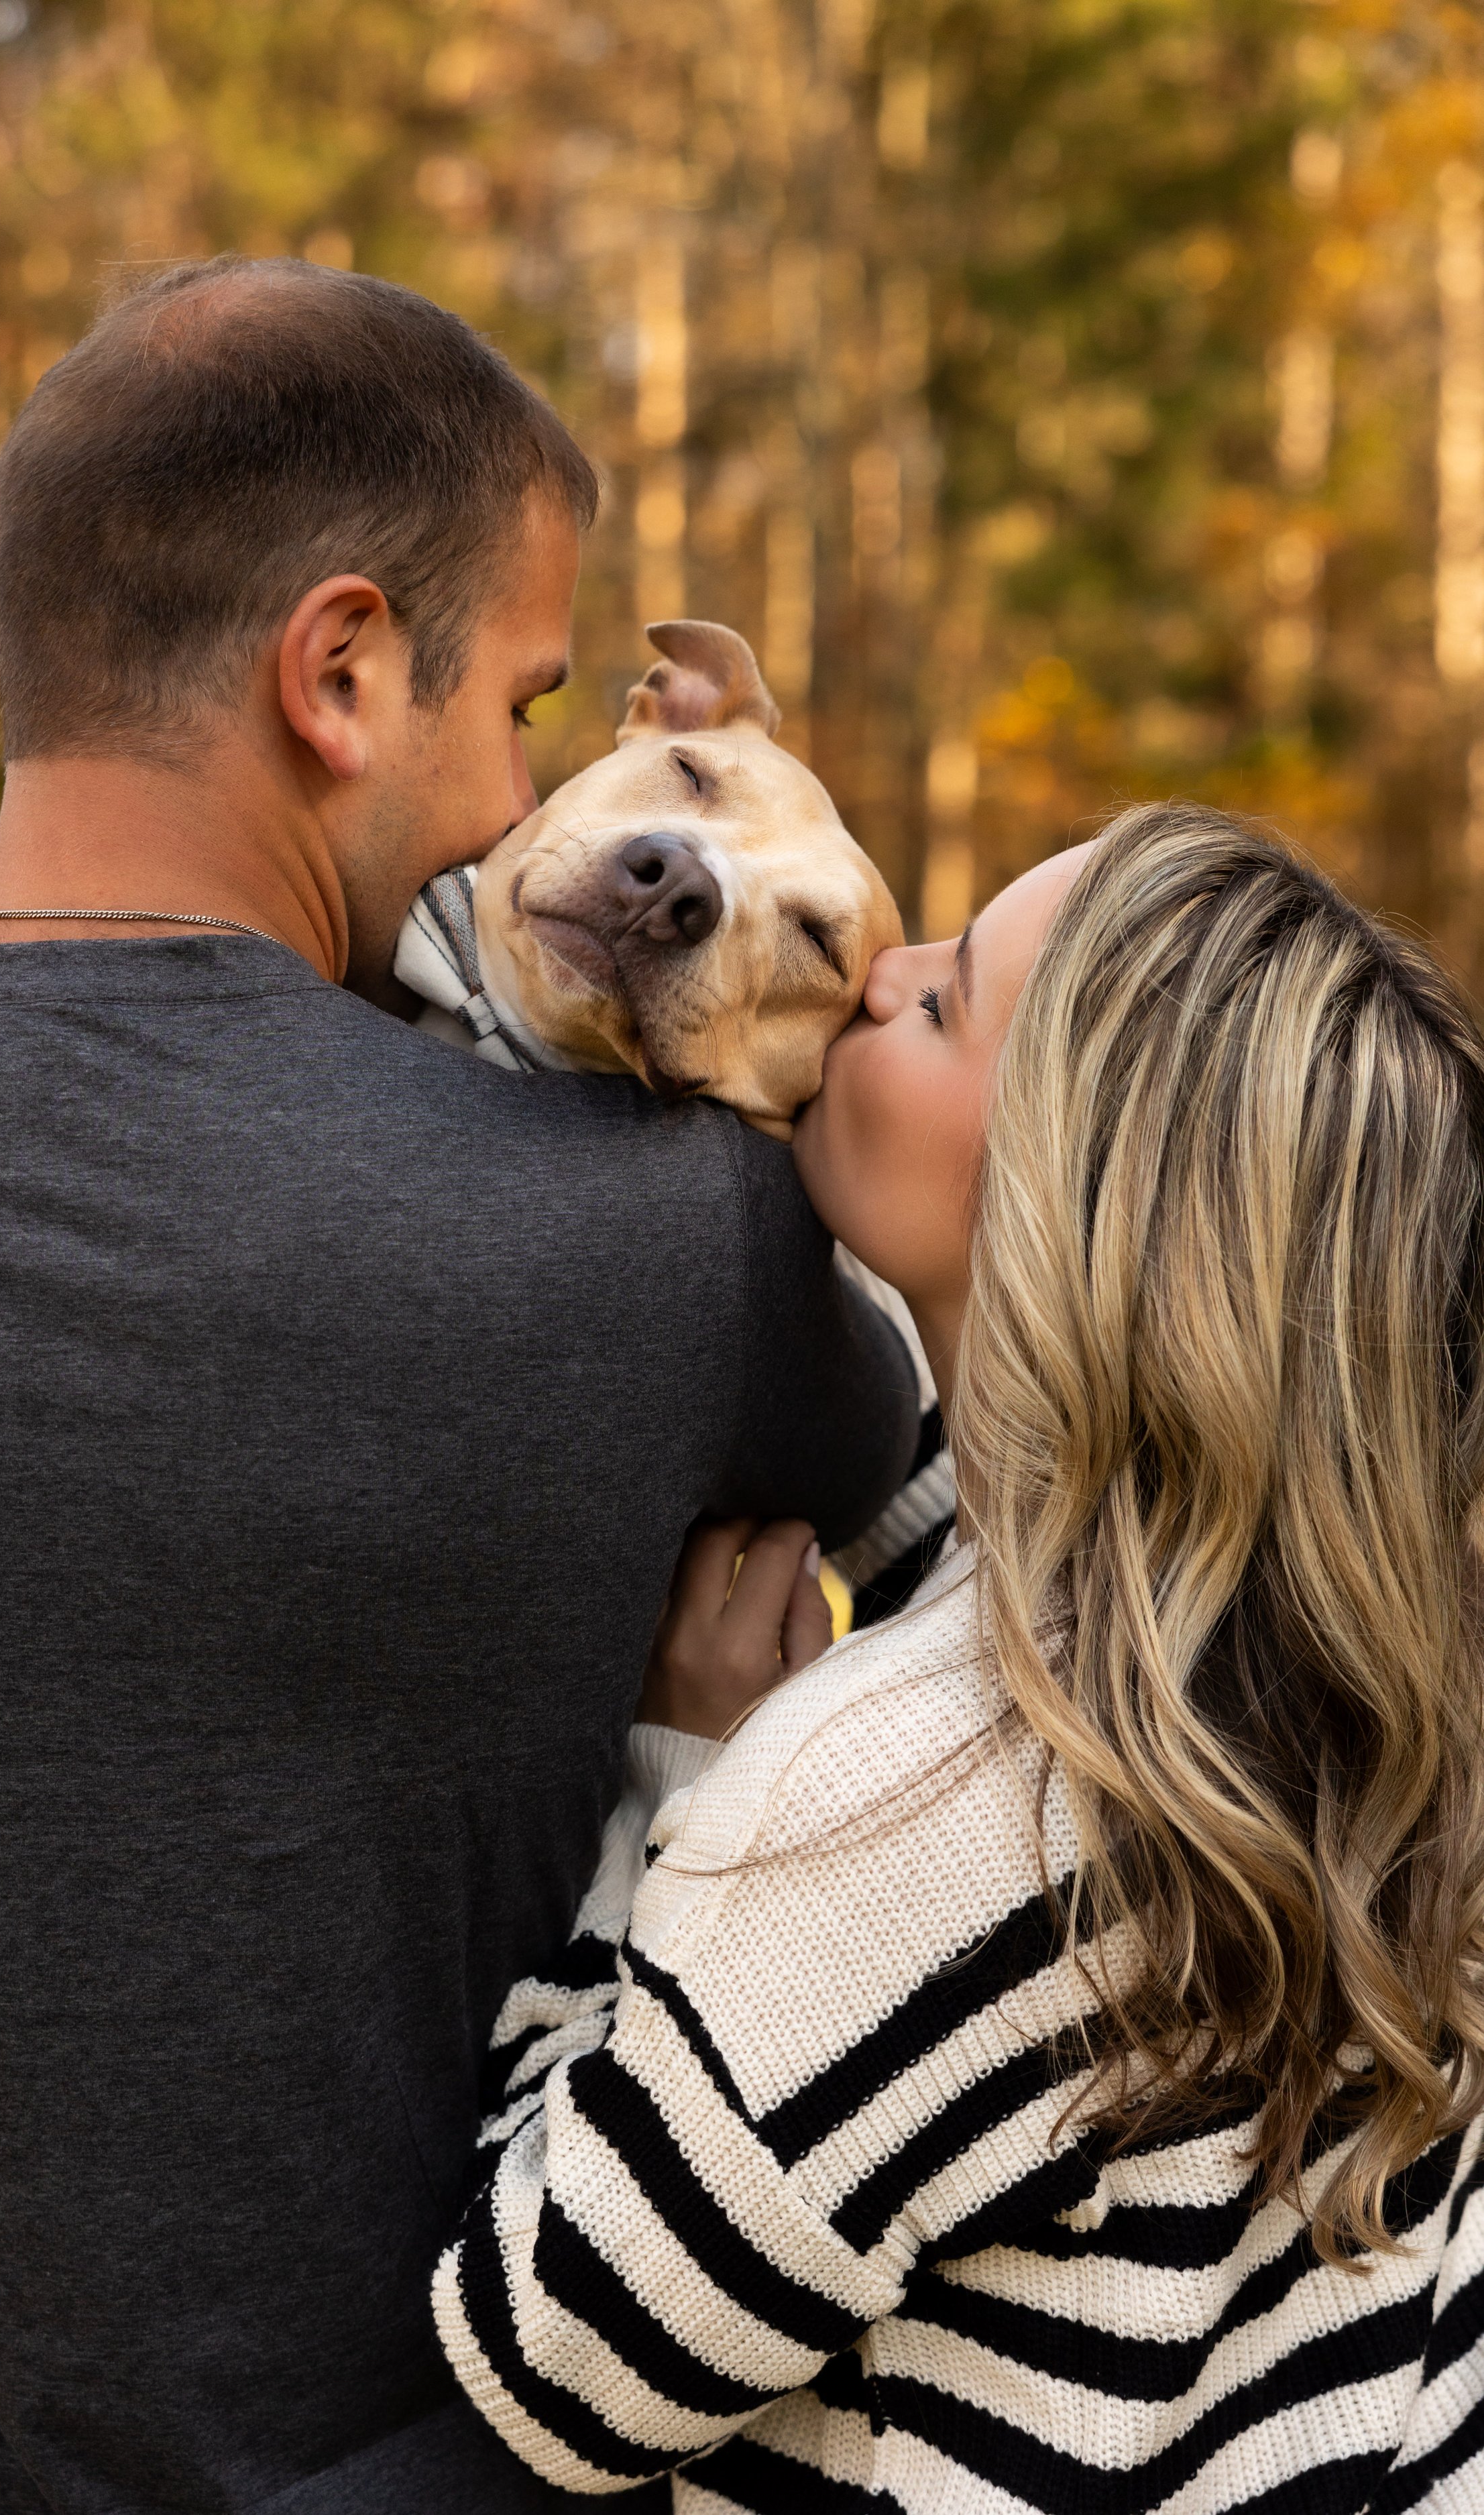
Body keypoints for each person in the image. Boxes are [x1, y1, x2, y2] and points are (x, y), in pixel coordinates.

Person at [0, 259, 918, 2514]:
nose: (526, 781)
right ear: (340, 671)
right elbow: (1084, 1561)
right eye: (520, 701)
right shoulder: (681, 1247)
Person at [436, 802, 1484, 2513]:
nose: (878, 975)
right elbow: (986, 1546)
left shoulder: (903, 1800)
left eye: (938, 1006)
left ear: (1081, 1220)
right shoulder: (1366, 1689)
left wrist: (679, 1779)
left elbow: (551, 2356)